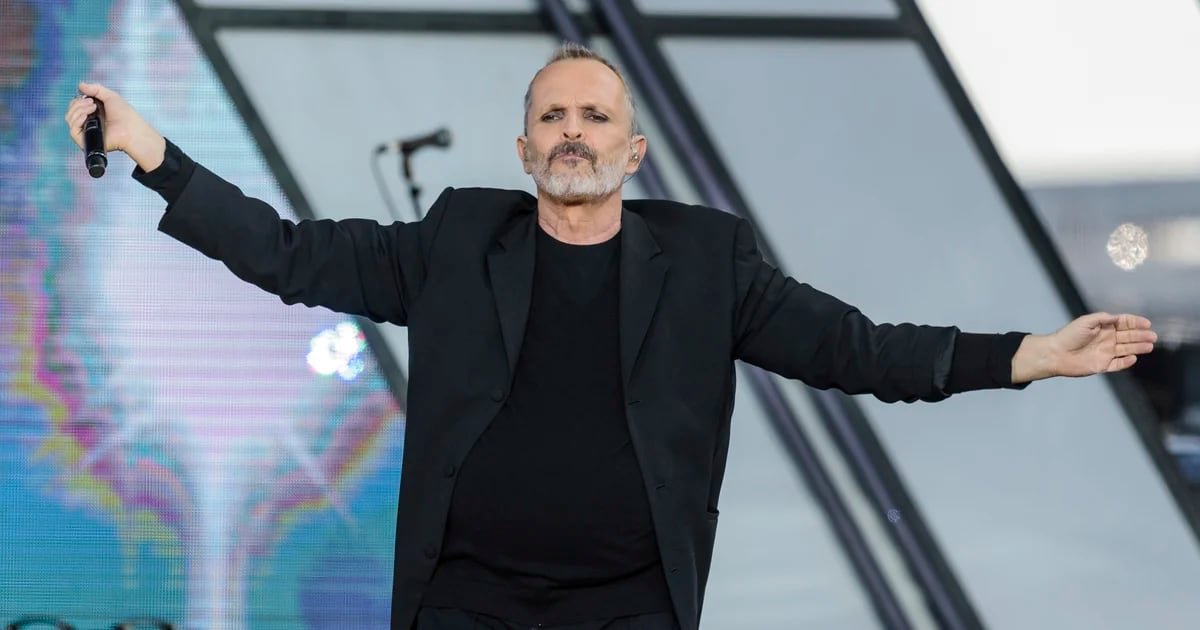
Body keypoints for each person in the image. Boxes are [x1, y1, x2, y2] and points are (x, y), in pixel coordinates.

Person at [64, 43, 1157, 630]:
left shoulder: (708, 263)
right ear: (523, 150)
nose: (573, 133)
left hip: (628, 604)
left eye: (596, 117)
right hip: (465, 600)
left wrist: (1030, 354)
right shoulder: (457, 240)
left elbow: (859, 351)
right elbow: (287, 254)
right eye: (553, 116)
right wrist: (159, 156)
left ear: (634, 154)